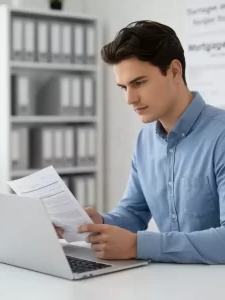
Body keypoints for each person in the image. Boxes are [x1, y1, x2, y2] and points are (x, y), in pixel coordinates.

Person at [56, 20, 225, 264]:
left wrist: (139, 245)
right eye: (123, 87)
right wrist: (99, 223)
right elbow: (133, 213)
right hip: (167, 282)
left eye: (139, 83)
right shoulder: (145, 140)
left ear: (174, 71)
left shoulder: (220, 136)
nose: (130, 99)